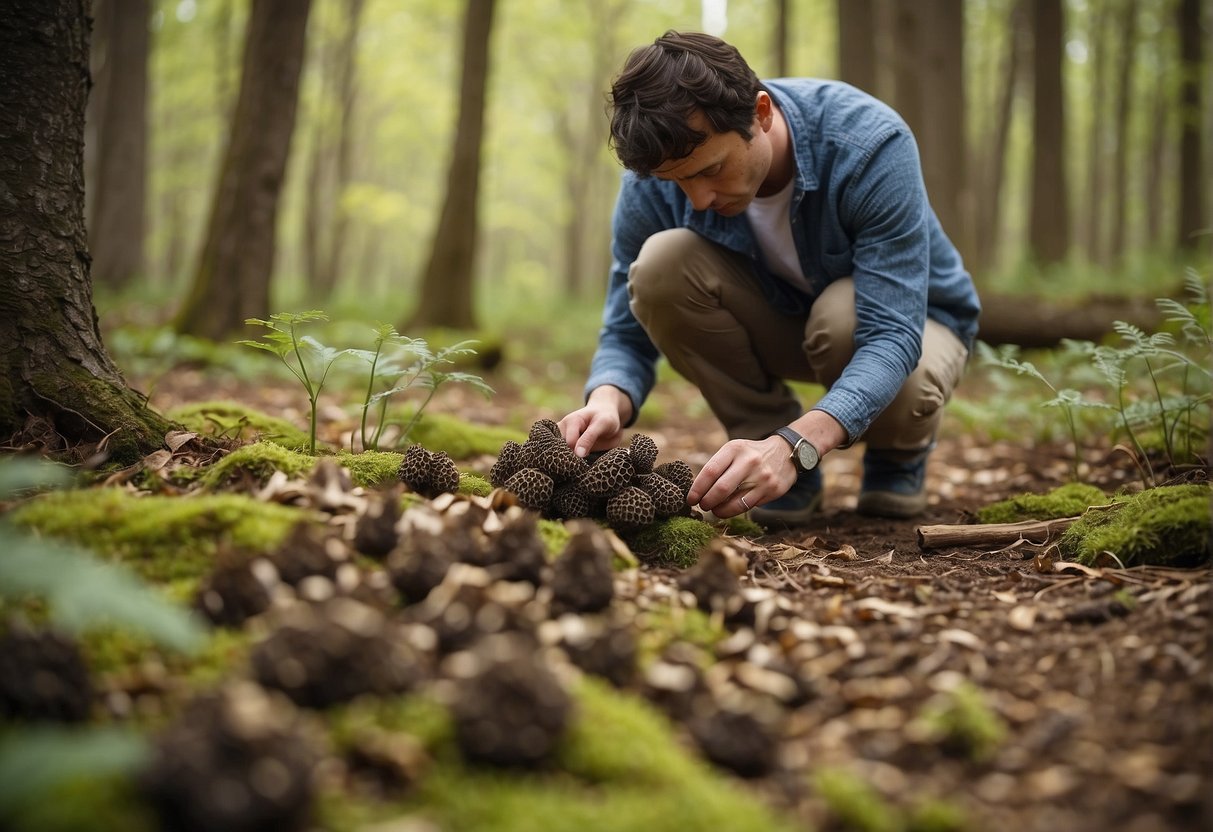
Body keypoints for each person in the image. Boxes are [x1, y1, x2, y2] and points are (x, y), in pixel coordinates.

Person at [557, 31, 981, 526]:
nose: (696, 199)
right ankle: (763, 446)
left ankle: (897, 453)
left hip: (915, 327)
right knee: (659, 265)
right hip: (785, 322)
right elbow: (625, 328)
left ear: (761, 113)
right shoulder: (655, 176)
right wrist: (607, 400)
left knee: (844, 315)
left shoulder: (868, 144)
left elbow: (891, 334)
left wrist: (798, 445)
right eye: (678, 182)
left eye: (712, 169)